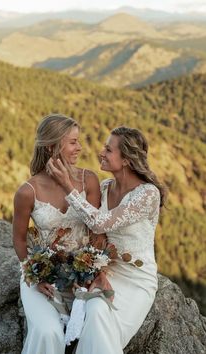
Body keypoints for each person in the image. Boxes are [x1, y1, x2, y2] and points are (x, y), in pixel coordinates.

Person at [48, 126, 166, 354]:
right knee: (94, 308)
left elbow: (100, 223)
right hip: (107, 270)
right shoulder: (103, 188)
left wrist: (67, 186)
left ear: (127, 160)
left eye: (108, 150)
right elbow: (96, 235)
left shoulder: (148, 194)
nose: (101, 153)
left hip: (136, 278)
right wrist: (96, 270)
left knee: (100, 315)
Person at [12, 114, 104, 354]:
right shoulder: (27, 191)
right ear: (52, 145)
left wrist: (91, 271)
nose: (80, 147)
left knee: (92, 329)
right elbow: (19, 239)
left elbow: (97, 232)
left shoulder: (89, 180)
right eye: (73, 142)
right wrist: (34, 274)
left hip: (82, 278)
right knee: (47, 332)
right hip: (43, 278)